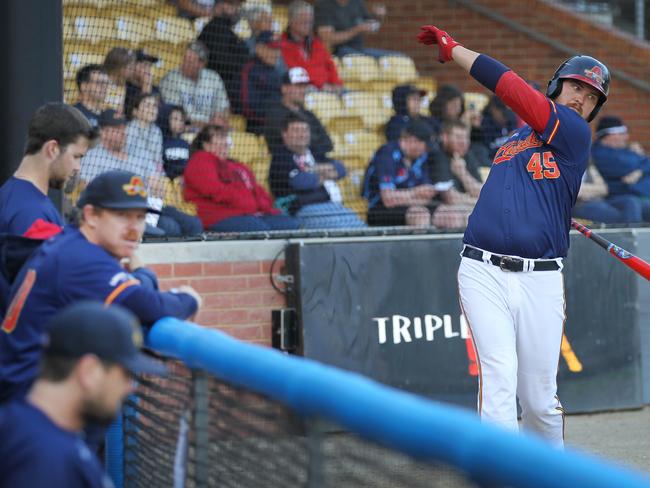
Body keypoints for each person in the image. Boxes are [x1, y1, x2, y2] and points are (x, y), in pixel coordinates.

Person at [418, 24, 610, 447]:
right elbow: (510, 194)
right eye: (576, 87)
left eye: (592, 96)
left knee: (539, 400)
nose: (582, 99)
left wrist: (457, 50)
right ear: (558, 86)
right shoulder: (515, 138)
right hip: (481, 268)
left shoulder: (575, 133)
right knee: (499, 380)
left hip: (540, 277)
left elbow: (511, 88)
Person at [0, 170, 202, 404]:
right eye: (122, 215)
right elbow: (147, 305)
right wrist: (188, 298)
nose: (134, 228)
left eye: (139, 217)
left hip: (24, 391)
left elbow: (130, 294)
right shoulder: (82, 258)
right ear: (91, 216)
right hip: (29, 403)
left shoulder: (70, 242)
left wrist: (140, 276)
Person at [0, 301, 166, 487]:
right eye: (125, 374)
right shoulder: (46, 462)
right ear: (89, 371)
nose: (130, 387)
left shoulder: (18, 425)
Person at [81, 110, 203, 238]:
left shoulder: (137, 150)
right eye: (117, 129)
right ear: (103, 132)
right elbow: (89, 189)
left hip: (150, 205)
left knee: (194, 223)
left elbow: (155, 180)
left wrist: (157, 185)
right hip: (123, 210)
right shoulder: (93, 156)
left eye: (123, 128)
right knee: (171, 227)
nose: (122, 133)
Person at [0, 103, 94, 238]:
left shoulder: (15, 194)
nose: (78, 167)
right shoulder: (31, 213)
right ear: (52, 149)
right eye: (76, 156)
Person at [184, 125, 300, 232]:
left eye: (225, 137)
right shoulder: (200, 161)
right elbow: (215, 191)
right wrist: (247, 202)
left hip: (248, 213)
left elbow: (256, 190)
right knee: (258, 228)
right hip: (217, 215)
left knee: (290, 224)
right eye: (219, 137)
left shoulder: (238, 165)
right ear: (206, 145)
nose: (225, 141)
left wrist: (265, 207)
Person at [362, 119, 469, 228]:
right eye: (425, 146)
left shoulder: (421, 158)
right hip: (379, 209)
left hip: (413, 204)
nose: (426, 151)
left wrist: (425, 193)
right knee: (420, 215)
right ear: (412, 141)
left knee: (452, 215)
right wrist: (415, 193)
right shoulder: (387, 154)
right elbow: (388, 199)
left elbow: (425, 197)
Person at [270, 113, 366, 229]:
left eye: (305, 131)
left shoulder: (315, 153)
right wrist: (326, 173)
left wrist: (312, 169)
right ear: (285, 134)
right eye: (296, 131)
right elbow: (302, 182)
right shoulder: (281, 157)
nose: (301, 135)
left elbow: (341, 169)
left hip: (332, 207)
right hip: (302, 210)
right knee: (343, 228)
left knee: (359, 225)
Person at [264, 67, 334, 160]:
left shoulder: (309, 115)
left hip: (316, 161)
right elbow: (290, 146)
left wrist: (307, 145)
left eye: (305, 86)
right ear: (284, 88)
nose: (303, 90)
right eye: (299, 86)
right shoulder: (275, 115)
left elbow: (328, 144)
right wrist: (313, 144)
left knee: (339, 167)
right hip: (289, 164)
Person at [160, 41, 230, 129]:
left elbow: (224, 107)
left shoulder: (213, 78)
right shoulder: (171, 79)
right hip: (184, 130)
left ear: (202, 64)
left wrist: (220, 118)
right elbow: (175, 115)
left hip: (211, 130)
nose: (184, 64)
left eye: (190, 62)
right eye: (184, 59)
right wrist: (208, 124)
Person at [591, 115, 650, 222]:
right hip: (618, 197)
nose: (626, 137)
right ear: (609, 135)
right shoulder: (599, 153)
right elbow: (627, 166)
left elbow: (646, 161)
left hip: (641, 195)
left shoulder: (625, 151)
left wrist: (639, 171)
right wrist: (641, 162)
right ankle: (633, 239)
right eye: (622, 133)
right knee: (632, 203)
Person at [197, 0, 250, 112]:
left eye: (236, 6)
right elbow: (222, 61)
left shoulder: (226, 30)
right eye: (231, 5)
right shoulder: (215, 28)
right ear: (220, 6)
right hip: (215, 87)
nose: (235, 10)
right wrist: (244, 61)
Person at [281, 1, 343, 93]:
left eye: (310, 22)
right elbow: (295, 73)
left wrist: (336, 84)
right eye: (303, 22)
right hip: (305, 91)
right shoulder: (282, 44)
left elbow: (330, 65)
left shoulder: (316, 43)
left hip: (328, 89)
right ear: (291, 21)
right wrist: (320, 86)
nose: (308, 26)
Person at [240, 31, 283, 135]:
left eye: (278, 49)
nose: (277, 54)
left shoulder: (276, 72)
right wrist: (275, 119)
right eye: (272, 49)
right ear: (259, 48)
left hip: (279, 124)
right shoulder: (249, 70)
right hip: (258, 127)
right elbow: (247, 107)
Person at [573, 161, 643, 224]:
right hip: (579, 205)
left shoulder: (589, 166)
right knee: (619, 215)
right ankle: (629, 236)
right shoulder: (565, 167)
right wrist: (594, 189)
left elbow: (604, 189)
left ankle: (631, 235)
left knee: (631, 201)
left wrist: (585, 190)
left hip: (601, 200)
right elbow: (574, 191)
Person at [314, 0, 387, 58]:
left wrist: (378, 17)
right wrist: (356, 30)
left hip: (359, 49)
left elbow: (371, 27)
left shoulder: (357, 2)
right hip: (338, 51)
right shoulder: (323, 5)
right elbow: (327, 38)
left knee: (394, 57)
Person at [124, 49, 161, 118]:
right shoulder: (125, 86)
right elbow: (131, 115)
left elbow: (158, 115)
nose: (148, 69)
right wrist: (146, 87)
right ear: (133, 65)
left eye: (150, 66)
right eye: (144, 65)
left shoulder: (155, 89)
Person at [159, 104, 191, 180]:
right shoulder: (160, 141)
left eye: (181, 120)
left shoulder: (186, 144)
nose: (179, 123)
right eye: (175, 119)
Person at [480, 95, 517, 159]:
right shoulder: (485, 124)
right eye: (503, 113)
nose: (505, 118)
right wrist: (508, 140)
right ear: (493, 109)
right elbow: (488, 150)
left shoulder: (511, 119)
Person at [103, 47, 136, 115]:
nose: (133, 70)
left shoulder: (122, 85)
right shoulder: (102, 82)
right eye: (130, 67)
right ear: (119, 67)